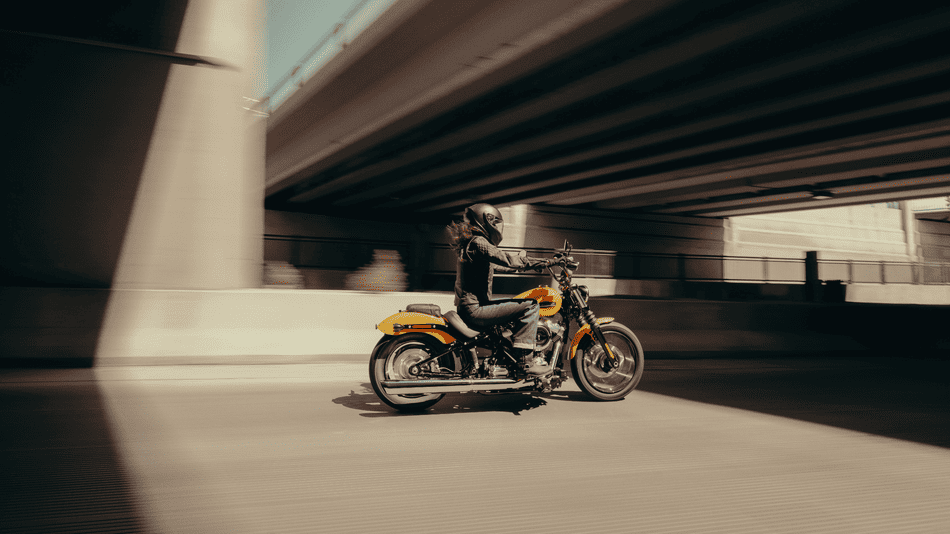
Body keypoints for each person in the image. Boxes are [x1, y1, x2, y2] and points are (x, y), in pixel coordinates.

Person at [447, 203, 550, 375]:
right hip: (476, 310)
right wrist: (546, 262)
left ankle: (509, 356)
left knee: (514, 310)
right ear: (485, 221)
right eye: (494, 223)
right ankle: (525, 362)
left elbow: (500, 266)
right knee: (531, 306)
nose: (496, 227)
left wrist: (529, 265)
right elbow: (507, 259)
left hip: (470, 308)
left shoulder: (470, 244)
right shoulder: (478, 242)